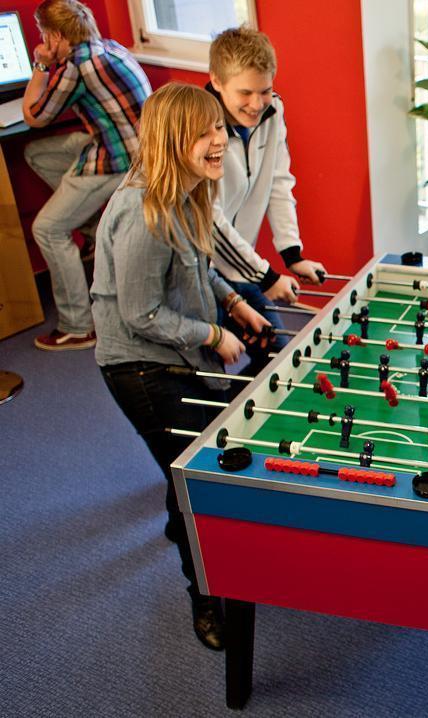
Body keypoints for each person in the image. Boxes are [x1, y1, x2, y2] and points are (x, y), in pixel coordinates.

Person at [91, 83, 270, 651]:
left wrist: (235, 303)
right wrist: (213, 333)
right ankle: (205, 599)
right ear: (173, 142)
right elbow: (141, 313)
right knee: (198, 479)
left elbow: (195, 266)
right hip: (139, 368)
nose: (220, 140)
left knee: (194, 465)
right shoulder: (144, 214)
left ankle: (181, 520)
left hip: (173, 351)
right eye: (204, 133)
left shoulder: (189, 192)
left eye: (218, 128)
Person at [22, 0, 151, 351]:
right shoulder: (108, 47)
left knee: (47, 229)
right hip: (134, 144)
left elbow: (34, 115)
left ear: (55, 36)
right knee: (36, 152)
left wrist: (40, 65)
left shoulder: (76, 66)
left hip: (123, 158)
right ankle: (94, 229)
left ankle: (77, 326)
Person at [205, 26, 327, 374]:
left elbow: (278, 181)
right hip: (202, 272)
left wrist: (292, 253)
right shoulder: (200, 129)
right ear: (216, 80)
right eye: (245, 92)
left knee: (276, 358)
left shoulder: (273, 113)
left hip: (244, 265)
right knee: (211, 376)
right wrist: (266, 277)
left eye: (265, 91)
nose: (257, 104)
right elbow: (210, 222)